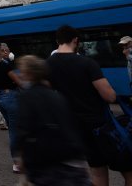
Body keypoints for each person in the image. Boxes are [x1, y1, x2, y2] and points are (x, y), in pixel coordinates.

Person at [48, 25, 132, 186]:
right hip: (101, 126)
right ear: (75, 40)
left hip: (77, 126)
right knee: (128, 169)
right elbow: (109, 96)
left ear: (57, 41)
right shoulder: (86, 63)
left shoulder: (48, 65)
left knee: (97, 171)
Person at [15, 54, 90, 186]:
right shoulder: (57, 96)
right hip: (73, 157)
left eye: (22, 72)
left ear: (30, 74)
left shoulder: (27, 96)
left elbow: (24, 130)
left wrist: (21, 158)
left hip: (47, 162)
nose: (20, 75)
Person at [0, 42, 22, 174]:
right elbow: (19, 81)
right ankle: (17, 163)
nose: (5, 52)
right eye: (2, 51)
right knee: (15, 131)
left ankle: (20, 161)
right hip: (11, 97)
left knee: (13, 129)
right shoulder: (4, 65)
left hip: (0, 99)